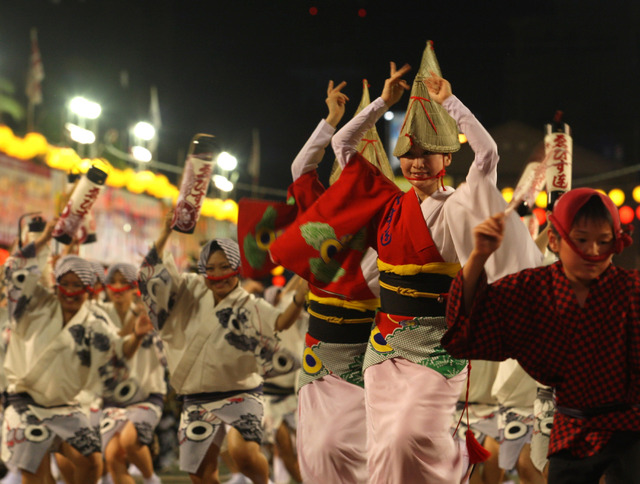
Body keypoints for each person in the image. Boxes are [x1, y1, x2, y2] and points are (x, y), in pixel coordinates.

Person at [270, 41, 542, 484]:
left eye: (425, 155)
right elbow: (341, 145)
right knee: (385, 450)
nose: (415, 164)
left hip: (437, 348)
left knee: (407, 438)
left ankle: (456, 462)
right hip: (384, 352)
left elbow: (488, 154)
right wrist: (382, 103)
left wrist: (449, 102)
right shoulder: (386, 207)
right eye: (408, 156)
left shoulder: (461, 205)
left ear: (446, 158)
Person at [443, 187, 639, 484]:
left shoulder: (632, 290)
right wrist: (479, 255)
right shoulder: (531, 290)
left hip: (631, 429)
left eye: (604, 241)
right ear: (555, 240)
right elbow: (466, 333)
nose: (594, 252)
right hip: (569, 427)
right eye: (582, 240)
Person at [138, 212, 306, 484]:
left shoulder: (248, 304)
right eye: (211, 269)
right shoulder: (189, 288)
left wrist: (301, 294)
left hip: (241, 393)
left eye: (225, 267)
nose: (218, 275)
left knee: (243, 454)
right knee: (200, 474)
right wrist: (166, 233)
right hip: (196, 397)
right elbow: (151, 278)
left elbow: (281, 321)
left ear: (237, 268)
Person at [2, 218, 153, 484]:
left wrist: (137, 336)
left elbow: (117, 353)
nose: (71, 292)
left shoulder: (94, 323)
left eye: (78, 285)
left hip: (67, 408)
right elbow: (16, 272)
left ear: (89, 289)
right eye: (66, 284)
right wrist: (43, 240)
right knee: (34, 473)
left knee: (92, 462)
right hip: (26, 405)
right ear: (57, 284)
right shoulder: (34, 304)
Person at [98, 263, 166, 484]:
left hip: (147, 395)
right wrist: (133, 324)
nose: (118, 287)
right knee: (112, 456)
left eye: (124, 282)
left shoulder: (152, 312)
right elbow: (114, 347)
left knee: (128, 440)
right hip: (112, 399)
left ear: (134, 287)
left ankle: (150, 478)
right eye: (113, 282)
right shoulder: (99, 313)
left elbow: (167, 355)